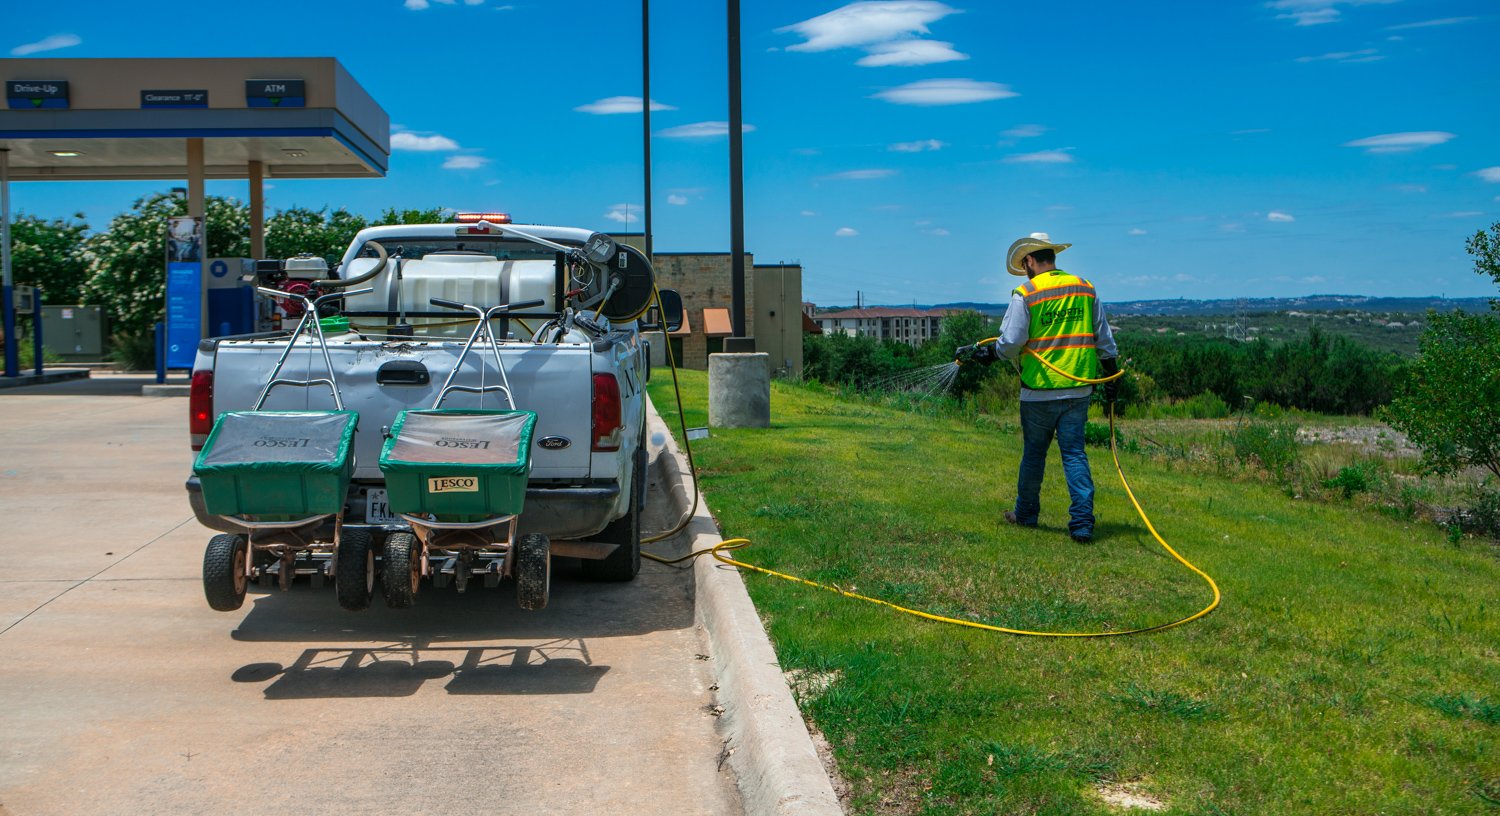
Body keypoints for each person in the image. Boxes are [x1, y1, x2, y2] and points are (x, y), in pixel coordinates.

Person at [964, 233, 1119, 543]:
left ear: (1030, 261)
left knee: (1034, 456)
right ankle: (1083, 524)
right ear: (1053, 258)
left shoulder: (1027, 293)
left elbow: (1011, 342)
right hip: (1078, 387)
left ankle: (1025, 515)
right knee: (1074, 455)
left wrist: (989, 354)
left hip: (1038, 390)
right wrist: (1111, 376)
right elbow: (1103, 338)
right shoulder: (1084, 288)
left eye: (1025, 265)